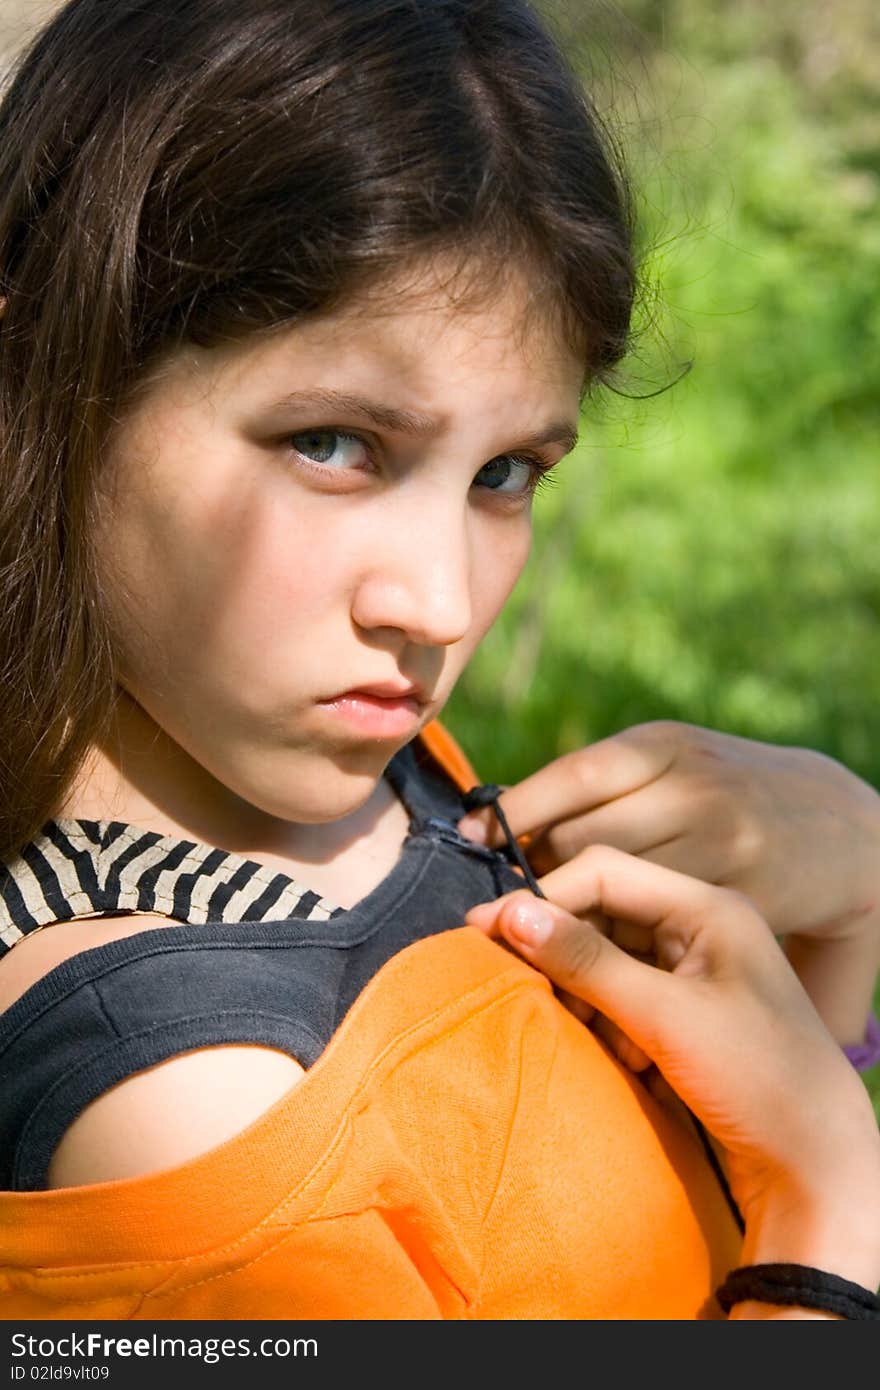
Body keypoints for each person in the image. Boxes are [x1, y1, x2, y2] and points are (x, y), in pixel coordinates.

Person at [0, 0, 877, 1322]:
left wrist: (837, 944)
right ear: (38, 370)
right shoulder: (189, 1110)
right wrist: (832, 1223)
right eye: (334, 443)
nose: (439, 602)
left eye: (504, 472)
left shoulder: (335, 754)